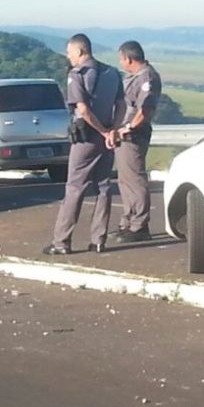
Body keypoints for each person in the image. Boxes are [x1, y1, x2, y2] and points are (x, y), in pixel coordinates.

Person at [44, 34, 124, 255]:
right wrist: (112, 131)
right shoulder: (112, 73)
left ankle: (61, 241)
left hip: (87, 136)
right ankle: (99, 240)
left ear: (79, 52)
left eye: (69, 53)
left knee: (74, 188)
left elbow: (84, 110)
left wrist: (101, 130)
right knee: (103, 186)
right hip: (107, 138)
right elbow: (121, 104)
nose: (68, 57)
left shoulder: (77, 75)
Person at [107, 41, 162, 244]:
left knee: (135, 180)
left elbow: (145, 109)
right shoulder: (134, 77)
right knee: (125, 180)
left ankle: (139, 224)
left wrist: (128, 128)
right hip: (123, 135)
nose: (121, 63)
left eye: (121, 59)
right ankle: (128, 222)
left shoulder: (147, 78)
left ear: (128, 59)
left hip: (133, 135)